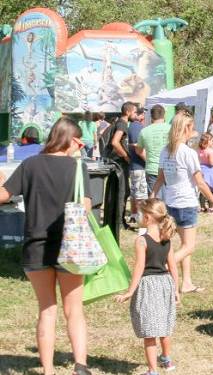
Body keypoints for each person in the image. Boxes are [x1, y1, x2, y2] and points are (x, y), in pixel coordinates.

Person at [0, 117, 93, 375]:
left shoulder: (30, 165)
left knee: (46, 310)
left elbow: (3, 196)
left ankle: (49, 370)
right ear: (70, 139)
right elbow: (85, 207)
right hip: (71, 248)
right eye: (79, 141)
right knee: (74, 310)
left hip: (36, 247)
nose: (81, 146)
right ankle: (81, 365)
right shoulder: (77, 168)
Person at [151, 113, 213, 295]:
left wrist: (152, 196)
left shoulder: (165, 151)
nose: (194, 131)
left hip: (170, 203)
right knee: (189, 246)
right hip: (186, 204)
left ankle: (187, 283)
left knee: (184, 244)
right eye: (191, 128)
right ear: (185, 129)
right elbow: (199, 182)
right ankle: (163, 267)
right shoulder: (188, 153)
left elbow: (160, 179)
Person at [116, 199, 178, 375]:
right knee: (165, 328)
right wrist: (176, 289)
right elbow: (173, 266)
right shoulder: (167, 238)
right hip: (165, 284)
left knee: (150, 332)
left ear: (148, 217)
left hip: (148, 287)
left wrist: (130, 291)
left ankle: (152, 370)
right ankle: (166, 360)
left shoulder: (142, 241)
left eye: (141, 214)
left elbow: (139, 268)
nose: (139, 216)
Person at [107, 102, 138, 227]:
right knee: (123, 191)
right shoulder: (122, 124)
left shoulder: (119, 122)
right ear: (128, 112)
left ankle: (117, 220)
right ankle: (119, 222)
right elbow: (115, 142)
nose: (136, 115)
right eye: (135, 112)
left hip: (116, 162)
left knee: (122, 191)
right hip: (119, 162)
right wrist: (126, 157)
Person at [136, 105, 169, 195]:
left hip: (152, 169)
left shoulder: (144, 131)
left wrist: (148, 159)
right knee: (171, 199)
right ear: (164, 115)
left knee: (154, 202)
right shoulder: (171, 129)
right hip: (169, 168)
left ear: (151, 116)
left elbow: (138, 151)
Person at [128, 108, 147, 224]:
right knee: (140, 194)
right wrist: (148, 161)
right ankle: (140, 220)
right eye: (143, 116)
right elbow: (137, 146)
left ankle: (134, 215)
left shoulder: (133, 126)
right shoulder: (136, 127)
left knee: (135, 193)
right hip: (139, 165)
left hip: (135, 166)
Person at [197, 133, 213, 212]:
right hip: (209, 172)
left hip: (201, 170)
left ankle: (202, 206)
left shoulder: (199, 150)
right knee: (210, 189)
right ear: (207, 142)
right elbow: (211, 163)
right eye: (211, 140)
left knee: (203, 189)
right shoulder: (210, 151)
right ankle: (211, 206)